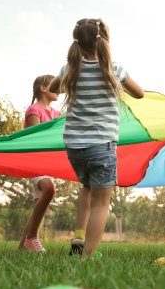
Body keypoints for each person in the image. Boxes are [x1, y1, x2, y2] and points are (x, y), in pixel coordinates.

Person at [49, 18, 144, 257]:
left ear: (77, 43)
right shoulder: (114, 69)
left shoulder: (70, 69)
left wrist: (68, 76)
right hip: (102, 144)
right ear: (104, 42)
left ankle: (79, 235)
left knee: (87, 186)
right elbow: (140, 93)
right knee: (102, 203)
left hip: (74, 146)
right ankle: (88, 256)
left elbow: (52, 87)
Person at [17, 74, 61, 252]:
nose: (58, 88)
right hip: (33, 161)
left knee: (38, 206)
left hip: (47, 164)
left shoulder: (57, 114)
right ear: (43, 88)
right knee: (49, 189)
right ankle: (33, 237)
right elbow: (35, 139)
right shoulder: (34, 110)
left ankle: (22, 247)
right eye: (54, 85)